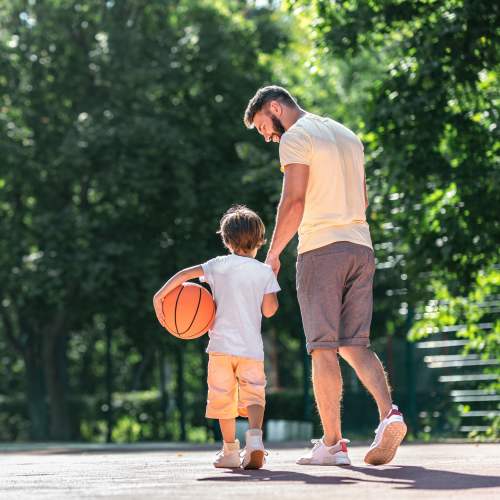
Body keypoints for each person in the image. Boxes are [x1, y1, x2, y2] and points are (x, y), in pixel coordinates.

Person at [243, 85, 406, 466]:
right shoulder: (348, 135)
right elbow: (363, 199)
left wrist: (274, 253)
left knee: (322, 346)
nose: (267, 136)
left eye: (264, 127)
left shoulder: (296, 137)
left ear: (275, 107)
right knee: (355, 344)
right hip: (361, 247)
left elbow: (294, 200)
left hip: (321, 249)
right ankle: (389, 414)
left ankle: (333, 445)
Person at [153, 205, 280, 469]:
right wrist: (271, 281)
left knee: (223, 398)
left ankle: (230, 450)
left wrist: (160, 296)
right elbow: (269, 311)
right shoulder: (264, 271)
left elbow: (184, 276)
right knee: (254, 395)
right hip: (251, 349)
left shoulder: (217, 265)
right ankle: (255, 439)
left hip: (221, 348)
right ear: (260, 240)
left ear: (226, 239)